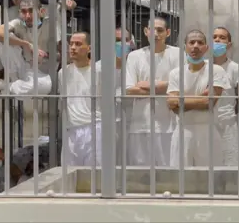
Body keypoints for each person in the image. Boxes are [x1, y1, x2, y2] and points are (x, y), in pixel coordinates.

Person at [167, 29, 231, 166]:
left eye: (200, 42)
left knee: (209, 180)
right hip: (183, 132)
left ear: (206, 48)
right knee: (180, 179)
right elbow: (172, 103)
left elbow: (208, 102)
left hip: (207, 132)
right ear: (185, 47)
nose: (195, 46)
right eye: (192, 42)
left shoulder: (216, 70)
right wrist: (199, 99)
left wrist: (182, 101)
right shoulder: (175, 73)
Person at [125, 16, 179, 166]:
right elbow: (129, 90)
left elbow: (181, 87)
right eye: (152, 29)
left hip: (169, 126)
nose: (155, 34)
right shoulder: (134, 56)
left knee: (169, 172)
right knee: (140, 175)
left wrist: (148, 85)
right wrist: (165, 87)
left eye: (160, 30)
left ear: (168, 32)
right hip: (140, 125)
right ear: (145, 31)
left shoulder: (178, 54)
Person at [0, 0, 59, 98]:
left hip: (43, 74)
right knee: (2, 39)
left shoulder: (50, 25)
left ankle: (6, 86)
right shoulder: (18, 23)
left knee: (43, 87)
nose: (27, 16)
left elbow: (63, 55)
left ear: (41, 11)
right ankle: (14, 81)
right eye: (23, 12)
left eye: (31, 11)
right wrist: (26, 44)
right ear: (20, 13)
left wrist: (46, 56)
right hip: (22, 69)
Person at [58, 31, 102, 166]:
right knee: (69, 175)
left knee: (95, 177)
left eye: (78, 44)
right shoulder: (63, 72)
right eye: (71, 44)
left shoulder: (99, 70)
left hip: (95, 127)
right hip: (71, 129)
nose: (72, 48)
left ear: (89, 48)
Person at [96, 27, 134, 163]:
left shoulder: (135, 66)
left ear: (131, 43)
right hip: (107, 123)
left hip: (132, 123)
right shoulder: (99, 69)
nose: (122, 44)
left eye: (126, 40)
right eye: (117, 40)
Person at [212, 27, 239, 166]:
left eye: (222, 37)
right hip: (207, 122)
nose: (217, 40)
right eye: (214, 37)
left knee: (230, 162)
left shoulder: (235, 68)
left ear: (229, 44)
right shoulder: (203, 67)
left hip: (228, 123)